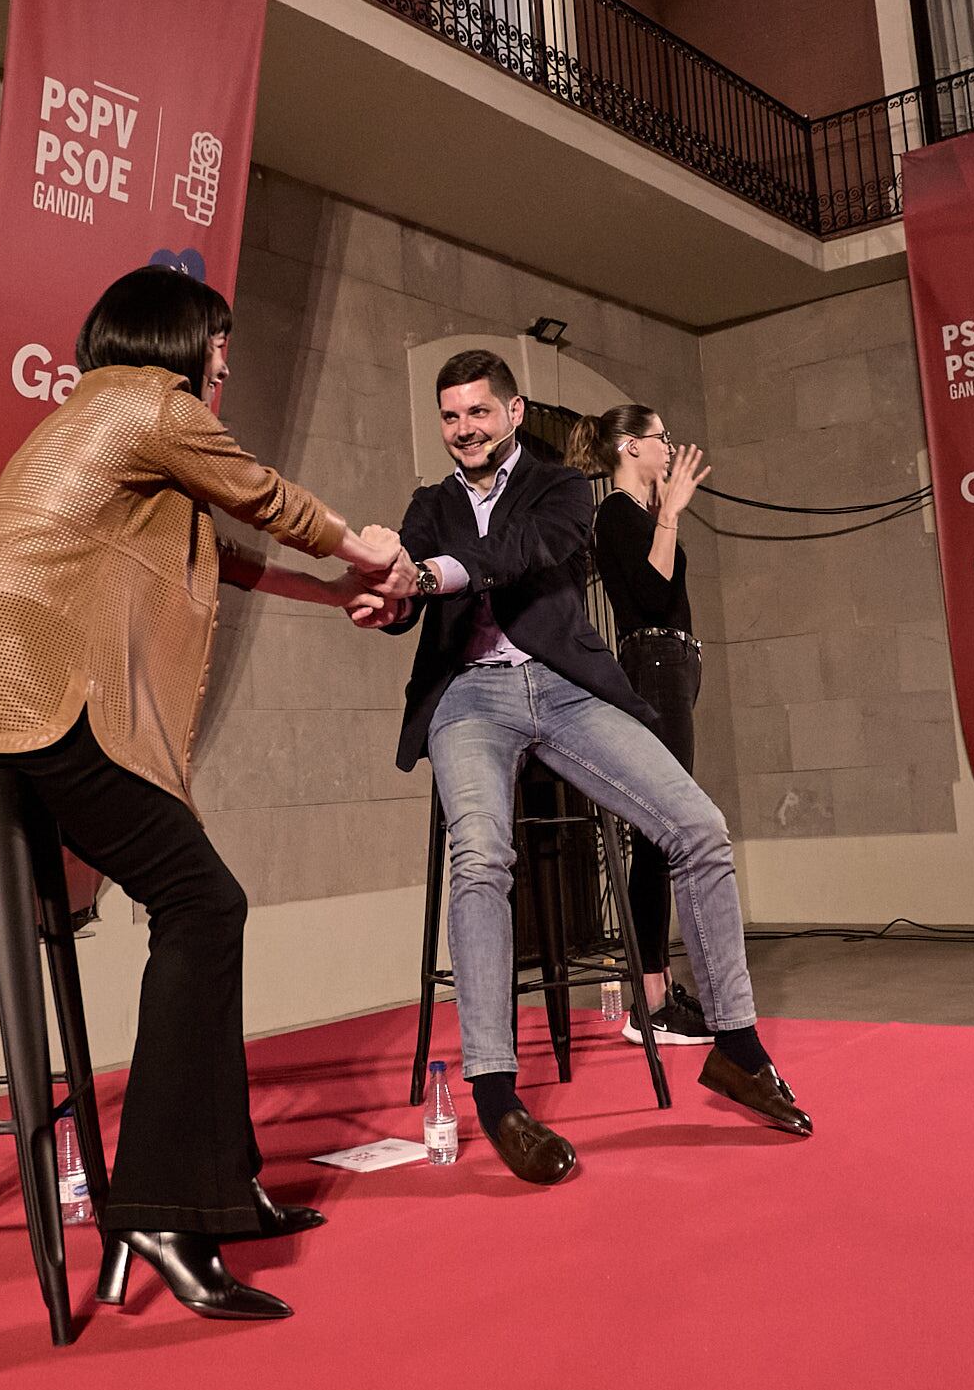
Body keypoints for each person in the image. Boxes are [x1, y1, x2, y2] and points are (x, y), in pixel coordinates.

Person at [0, 265, 417, 1320]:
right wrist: (368, 547)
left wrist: (322, 584)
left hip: (0, 694)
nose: (225, 358)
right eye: (217, 339)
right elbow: (263, 495)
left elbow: (216, 547)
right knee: (202, 900)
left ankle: (222, 1188)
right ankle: (162, 1210)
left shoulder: (97, 417)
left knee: (199, 903)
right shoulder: (148, 403)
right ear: (173, 337)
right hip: (33, 691)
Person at [347, 350, 811, 1188]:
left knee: (699, 828)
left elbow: (528, 551)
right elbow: (406, 598)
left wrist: (430, 573)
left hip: (563, 687)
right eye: (450, 418)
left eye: (478, 414)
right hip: (467, 699)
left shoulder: (561, 489)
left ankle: (737, 1050)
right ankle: (495, 1094)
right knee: (482, 856)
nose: (464, 431)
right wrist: (389, 595)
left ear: (514, 413)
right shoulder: (429, 505)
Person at [568, 405, 717, 1050]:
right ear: (631, 447)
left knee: (668, 824)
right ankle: (649, 1002)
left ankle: (653, 992)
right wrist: (671, 513)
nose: (669, 447)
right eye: (660, 438)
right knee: (664, 824)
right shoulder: (616, 515)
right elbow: (652, 595)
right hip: (652, 659)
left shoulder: (640, 513)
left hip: (672, 660)